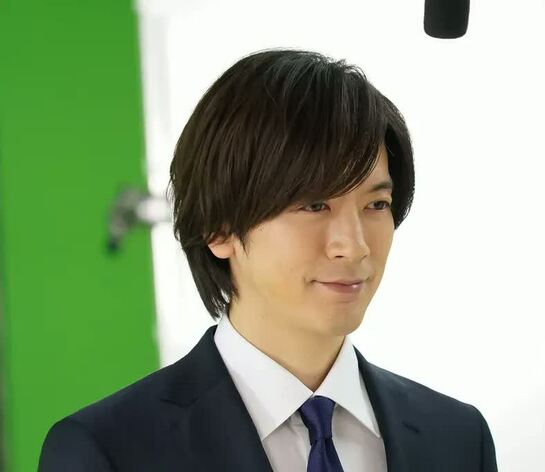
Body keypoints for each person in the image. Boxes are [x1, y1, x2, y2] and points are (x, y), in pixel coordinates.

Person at [38, 48, 497, 472]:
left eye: (376, 205)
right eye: (314, 205)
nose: (354, 246)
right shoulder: (107, 450)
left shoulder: (457, 437)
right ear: (219, 228)